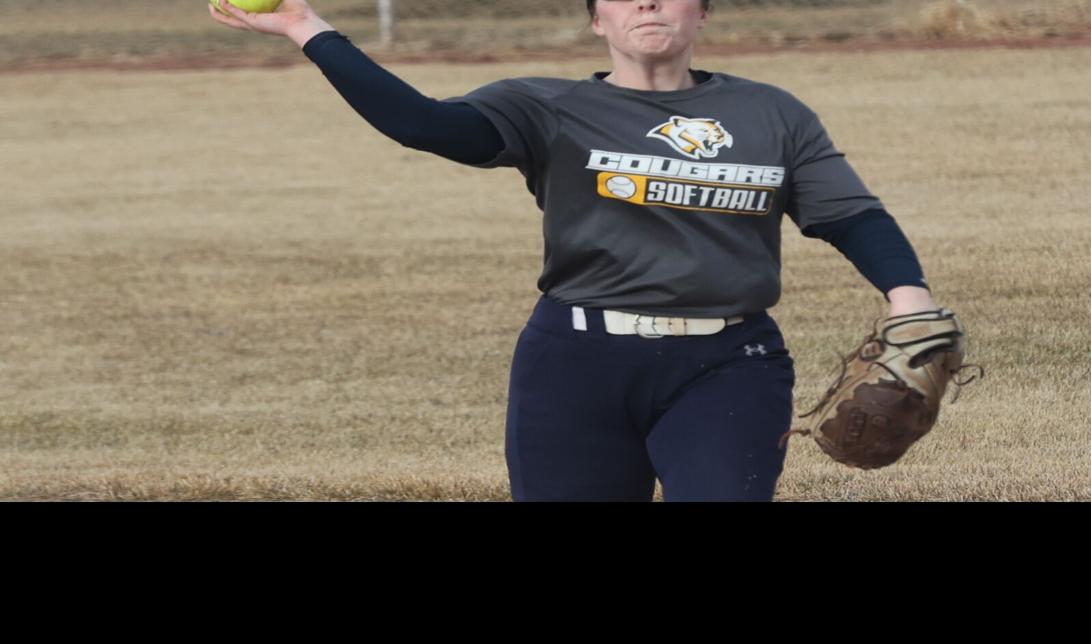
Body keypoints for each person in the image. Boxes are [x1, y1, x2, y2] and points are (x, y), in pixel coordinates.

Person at [208, 0, 946, 501]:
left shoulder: (768, 113)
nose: (648, 4)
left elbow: (848, 214)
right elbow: (424, 126)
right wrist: (309, 28)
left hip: (727, 365)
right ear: (596, 19)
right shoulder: (546, 108)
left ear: (701, 11)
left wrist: (907, 294)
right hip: (574, 365)